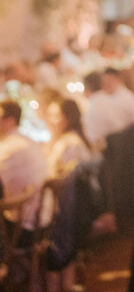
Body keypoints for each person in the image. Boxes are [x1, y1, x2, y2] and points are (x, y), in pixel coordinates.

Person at [0, 100, 48, 233]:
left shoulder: (10, 147)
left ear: (10, 121)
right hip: (39, 219)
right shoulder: (28, 141)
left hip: (21, 227)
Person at [82, 69, 134, 147]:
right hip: (130, 142)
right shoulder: (113, 99)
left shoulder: (92, 109)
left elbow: (93, 139)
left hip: (120, 145)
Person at [45, 98, 91, 179]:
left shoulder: (70, 143)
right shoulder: (66, 140)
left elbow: (64, 179)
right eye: (49, 115)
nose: (50, 121)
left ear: (69, 118)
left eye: (56, 116)